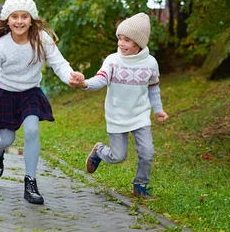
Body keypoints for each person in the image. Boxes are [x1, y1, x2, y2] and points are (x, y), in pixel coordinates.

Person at [0, 0, 83, 205]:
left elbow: (59, 63)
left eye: (24, 16)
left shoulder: (41, 39)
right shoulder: (1, 45)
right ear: (7, 20)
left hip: (30, 93)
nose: (19, 21)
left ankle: (30, 182)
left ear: (31, 19)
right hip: (5, 93)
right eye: (14, 16)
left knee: (32, 130)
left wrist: (71, 76)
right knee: (8, 139)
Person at [69, 12, 168, 200]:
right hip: (117, 114)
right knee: (118, 156)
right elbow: (100, 79)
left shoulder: (150, 63)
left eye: (127, 40)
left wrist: (159, 109)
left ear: (139, 43)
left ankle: (140, 186)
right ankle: (99, 151)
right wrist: (84, 84)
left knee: (147, 152)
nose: (121, 43)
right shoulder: (113, 60)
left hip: (139, 115)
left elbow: (153, 88)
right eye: (120, 39)